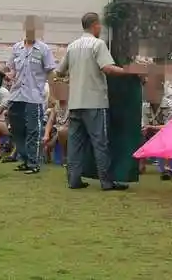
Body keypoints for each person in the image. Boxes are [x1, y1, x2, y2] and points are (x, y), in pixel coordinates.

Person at [55, 12, 132, 191]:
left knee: (75, 144)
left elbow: (59, 72)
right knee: (100, 143)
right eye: (100, 26)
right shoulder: (98, 44)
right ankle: (107, 182)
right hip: (95, 102)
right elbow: (107, 68)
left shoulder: (72, 46)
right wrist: (128, 71)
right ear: (95, 25)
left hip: (75, 103)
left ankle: (74, 180)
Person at [6, 16, 57, 175]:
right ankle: (24, 159)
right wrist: (8, 75)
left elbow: (50, 72)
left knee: (33, 130)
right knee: (16, 129)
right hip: (16, 95)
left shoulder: (43, 49)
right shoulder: (16, 48)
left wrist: (53, 94)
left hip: (34, 97)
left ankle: (34, 163)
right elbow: (12, 69)